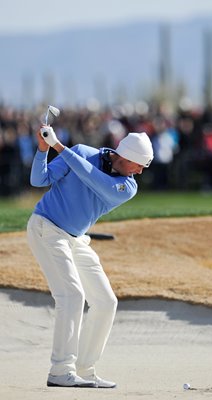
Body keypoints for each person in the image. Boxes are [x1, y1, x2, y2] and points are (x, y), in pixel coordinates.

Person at [27, 124, 153, 388]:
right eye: (140, 165)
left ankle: (84, 369)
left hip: (75, 239)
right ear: (125, 157)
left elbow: (91, 178)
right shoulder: (83, 151)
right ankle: (61, 370)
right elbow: (39, 180)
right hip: (47, 228)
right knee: (72, 295)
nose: (141, 172)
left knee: (106, 301)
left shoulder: (127, 187)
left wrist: (59, 147)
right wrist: (42, 150)